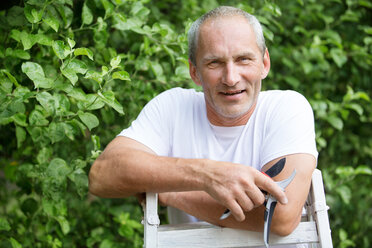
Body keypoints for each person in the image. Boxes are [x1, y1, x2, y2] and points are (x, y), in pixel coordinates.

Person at [89, 6, 318, 237]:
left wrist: (171, 193)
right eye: (214, 63)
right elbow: (102, 175)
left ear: (264, 64)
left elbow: (279, 218)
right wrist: (207, 174)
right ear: (195, 71)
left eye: (243, 59)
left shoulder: (287, 109)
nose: (231, 78)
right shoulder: (172, 108)